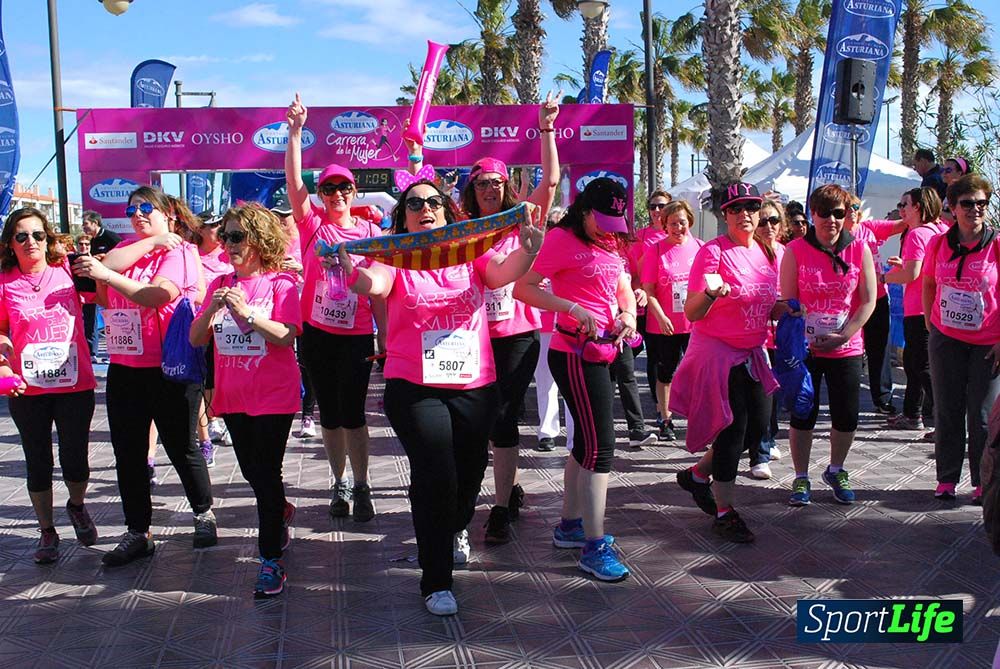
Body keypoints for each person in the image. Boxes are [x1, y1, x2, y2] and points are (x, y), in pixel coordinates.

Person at [341, 176, 542, 615]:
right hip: (414, 386)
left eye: (434, 201)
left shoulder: (469, 251)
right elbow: (372, 283)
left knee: (467, 478)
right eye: (415, 203)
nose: (425, 208)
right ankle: (436, 582)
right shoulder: (396, 256)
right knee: (436, 475)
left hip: (474, 384)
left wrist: (529, 247)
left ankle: (454, 527)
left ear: (448, 212)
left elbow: (503, 274)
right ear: (404, 215)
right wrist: (352, 274)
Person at [411, 95, 560, 545]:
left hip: (515, 335)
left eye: (497, 183)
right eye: (482, 185)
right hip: (468, 338)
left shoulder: (519, 220)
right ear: (471, 191)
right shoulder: (461, 229)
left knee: (503, 418)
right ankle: (480, 495)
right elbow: (418, 215)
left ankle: (498, 508)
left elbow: (550, 181)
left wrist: (546, 128)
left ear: (506, 186)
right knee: (469, 424)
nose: (490, 190)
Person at [72, 186, 216, 566]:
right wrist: (129, 257)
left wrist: (107, 273)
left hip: (169, 368)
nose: (138, 214)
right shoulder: (129, 252)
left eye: (147, 208)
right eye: (132, 209)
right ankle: (139, 532)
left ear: (169, 214)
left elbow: (157, 295)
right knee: (129, 454)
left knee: (181, 446)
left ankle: (203, 513)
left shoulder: (182, 251)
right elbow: (108, 286)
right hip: (125, 368)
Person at [515, 177, 636, 581]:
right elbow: (524, 289)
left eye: (614, 223)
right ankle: (594, 546)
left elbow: (622, 285)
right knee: (602, 447)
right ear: (584, 212)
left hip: (605, 349)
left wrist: (628, 315)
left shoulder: (611, 242)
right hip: (573, 354)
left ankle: (571, 525)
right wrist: (570, 307)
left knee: (585, 442)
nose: (608, 230)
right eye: (602, 221)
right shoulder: (561, 240)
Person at [190, 203, 302, 598]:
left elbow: (287, 335)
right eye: (226, 236)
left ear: (260, 239)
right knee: (255, 473)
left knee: (266, 473)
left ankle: (270, 559)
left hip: (274, 395)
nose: (229, 244)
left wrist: (247, 313)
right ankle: (281, 511)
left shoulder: (280, 284)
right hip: (233, 396)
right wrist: (215, 309)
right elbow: (196, 338)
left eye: (237, 236)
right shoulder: (219, 283)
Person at [285, 93, 385, 522]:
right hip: (318, 333)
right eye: (329, 188)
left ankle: (362, 484)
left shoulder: (369, 230)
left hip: (358, 333)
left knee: (354, 413)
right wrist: (294, 134)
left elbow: (380, 288)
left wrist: (383, 336)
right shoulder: (312, 225)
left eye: (344, 187)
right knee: (328, 414)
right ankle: (339, 481)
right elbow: (294, 185)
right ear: (322, 194)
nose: (337, 193)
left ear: (354, 191)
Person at [671, 182, 786, 543]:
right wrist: (709, 293)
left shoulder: (768, 253)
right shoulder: (713, 252)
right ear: (726, 215)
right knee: (733, 430)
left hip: (753, 352)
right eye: (737, 209)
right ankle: (724, 512)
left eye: (752, 207)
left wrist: (788, 309)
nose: (747, 214)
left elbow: (768, 304)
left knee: (757, 430)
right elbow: (691, 310)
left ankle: (696, 476)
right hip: (718, 352)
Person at [0, 207, 98, 563]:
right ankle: (47, 531)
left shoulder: (68, 272)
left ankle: (76, 505)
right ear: (11, 243)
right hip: (28, 387)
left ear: (48, 238)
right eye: (22, 236)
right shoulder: (4, 281)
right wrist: (3, 352)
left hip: (74, 383)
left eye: (38, 235)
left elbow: (105, 291)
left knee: (75, 457)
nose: (31, 242)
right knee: (37, 459)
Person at [782, 185, 877, 506]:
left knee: (847, 415)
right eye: (824, 213)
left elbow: (868, 301)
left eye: (839, 213)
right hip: (806, 348)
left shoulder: (859, 249)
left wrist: (844, 335)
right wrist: (796, 316)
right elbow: (788, 300)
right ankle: (801, 477)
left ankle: (836, 469)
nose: (832, 220)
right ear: (813, 214)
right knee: (803, 412)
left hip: (845, 346)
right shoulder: (795, 250)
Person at [923, 174, 999, 504]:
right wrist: (932, 325)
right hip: (946, 339)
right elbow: (927, 284)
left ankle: (982, 483)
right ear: (952, 207)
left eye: (981, 203)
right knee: (948, 410)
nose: (975, 210)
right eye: (967, 204)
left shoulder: (996, 245)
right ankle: (946, 479)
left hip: (988, 343)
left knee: (981, 416)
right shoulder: (939, 244)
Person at [885, 187, 949, 431]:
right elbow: (926, 268)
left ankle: (944, 420)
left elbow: (911, 274)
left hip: (919, 308)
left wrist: (882, 278)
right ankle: (913, 413)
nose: (901, 210)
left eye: (904, 205)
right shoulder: (942, 230)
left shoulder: (917, 234)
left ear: (918, 208)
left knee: (921, 366)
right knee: (916, 363)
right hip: (939, 308)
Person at [640, 200, 703, 444]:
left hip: (695, 324)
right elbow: (649, 290)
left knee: (698, 373)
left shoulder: (700, 247)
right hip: (663, 324)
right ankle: (665, 418)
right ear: (665, 225)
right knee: (665, 372)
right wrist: (661, 316)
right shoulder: (655, 250)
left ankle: (698, 418)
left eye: (682, 223)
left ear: (690, 222)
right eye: (673, 223)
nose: (678, 228)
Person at [846, 195, 907, 415]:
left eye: (854, 206)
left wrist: (907, 208)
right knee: (848, 351)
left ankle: (883, 399)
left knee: (879, 348)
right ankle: (845, 398)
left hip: (878, 297)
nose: (851, 210)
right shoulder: (835, 235)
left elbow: (903, 224)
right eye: (846, 207)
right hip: (850, 301)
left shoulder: (869, 228)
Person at [270, 196, 316, 439]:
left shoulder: (307, 239)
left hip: (306, 310)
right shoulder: (272, 244)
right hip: (280, 311)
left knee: (307, 365)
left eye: (285, 216)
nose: (281, 221)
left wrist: (300, 268)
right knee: (284, 360)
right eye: (277, 216)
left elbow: (323, 274)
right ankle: (283, 411)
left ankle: (308, 415)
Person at [750, 198, 787, 477]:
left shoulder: (787, 252)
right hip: (755, 334)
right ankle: (759, 452)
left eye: (774, 220)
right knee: (762, 390)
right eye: (763, 221)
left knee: (776, 388)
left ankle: (770, 436)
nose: (768, 226)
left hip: (782, 332)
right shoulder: (749, 253)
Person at [192, 212, 234, 455]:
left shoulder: (229, 251)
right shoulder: (193, 255)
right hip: (203, 323)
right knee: (204, 378)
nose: (218, 230)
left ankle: (221, 417)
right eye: (212, 226)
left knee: (222, 374)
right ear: (200, 230)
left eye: (220, 225)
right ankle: (209, 425)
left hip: (229, 324)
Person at [631, 190, 672, 425]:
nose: (657, 211)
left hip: (671, 311)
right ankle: (660, 409)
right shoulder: (640, 237)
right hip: (644, 308)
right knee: (649, 358)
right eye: (653, 206)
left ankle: (664, 408)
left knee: (666, 359)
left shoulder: (679, 234)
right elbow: (633, 272)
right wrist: (641, 292)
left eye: (662, 206)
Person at [533, 206, 566, 452]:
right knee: (545, 380)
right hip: (542, 325)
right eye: (551, 225)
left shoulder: (574, 251)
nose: (555, 230)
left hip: (569, 326)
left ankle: (577, 434)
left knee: (574, 383)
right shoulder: (533, 253)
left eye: (560, 225)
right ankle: (547, 430)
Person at [80, 211, 122, 362]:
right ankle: (92, 352)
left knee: (115, 318)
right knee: (90, 320)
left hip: (112, 286)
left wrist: (105, 259)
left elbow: (123, 256)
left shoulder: (111, 237)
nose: (83, 227)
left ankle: (117, 349)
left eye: (85, 224)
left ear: (95, 223)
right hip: (94, 286)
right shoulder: (90, 241)